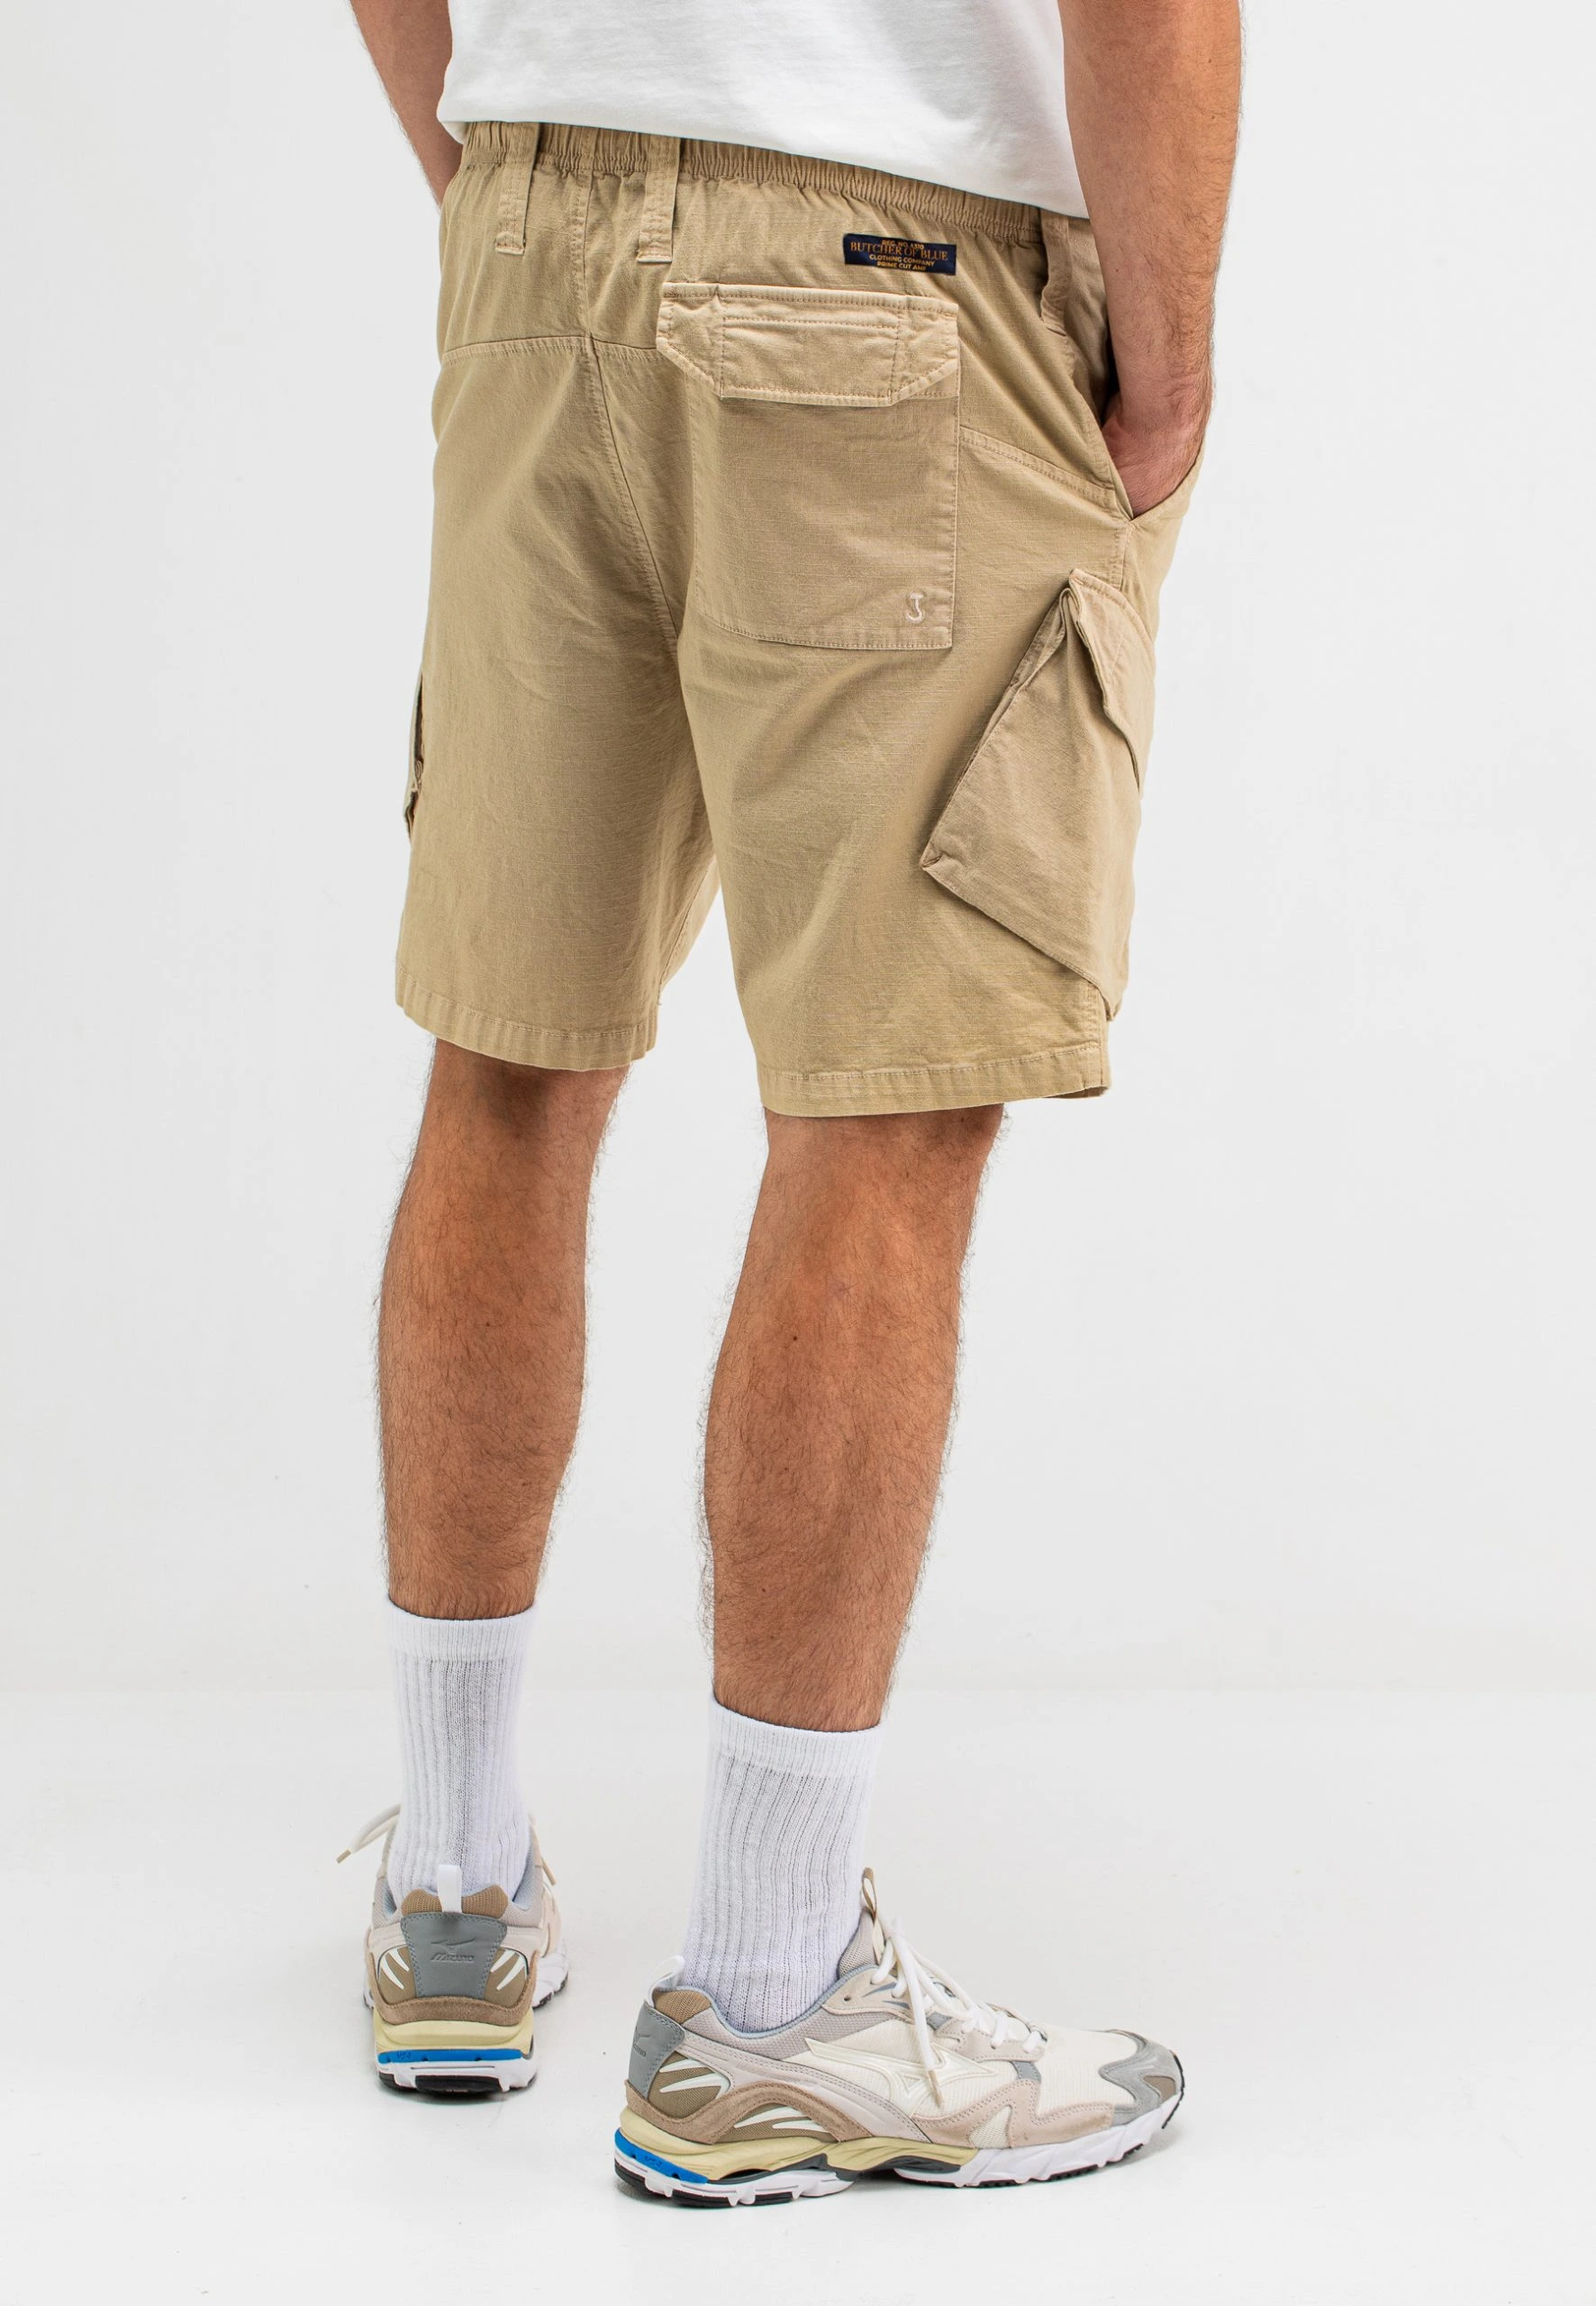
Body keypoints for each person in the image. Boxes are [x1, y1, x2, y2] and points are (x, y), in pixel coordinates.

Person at [340, 0, 1240, 2204]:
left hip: (535, 230)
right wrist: (1170, 362)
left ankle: (453, 1888)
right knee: (884, 1111)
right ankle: (767, 2007)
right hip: (889, 259)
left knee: (510, 1052)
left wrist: (505, 182)